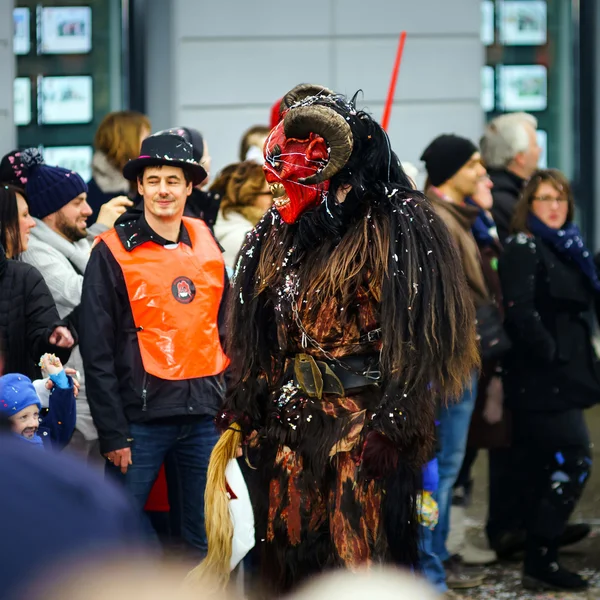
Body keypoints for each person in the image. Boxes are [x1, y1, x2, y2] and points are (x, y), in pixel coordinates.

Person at [192, 85, 479, 594]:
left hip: (363, 424)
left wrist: (396, 422)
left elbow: (425, 338)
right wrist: (247, 403)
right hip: (290, 424)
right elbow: (258, 332)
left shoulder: (398, 226)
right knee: (290, 556)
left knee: (359, 560)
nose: (279, 186)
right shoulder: (275, 231)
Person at [79, 132, 229, 557]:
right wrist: (113, 433)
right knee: (117, 532)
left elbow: (227, 327)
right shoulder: (110, 251)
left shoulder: (206, 240)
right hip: (137, 423)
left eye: (173, 179)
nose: (164, 189)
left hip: (203, 415)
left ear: (189, 186)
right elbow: (98, 350)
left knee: (202, 538)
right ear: (139, 186)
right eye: (154, 179)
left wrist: (229, 405)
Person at [498, 169, 598, 592]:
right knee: (574, 458)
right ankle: (541, 556)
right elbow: (520, 311)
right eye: (543, 199)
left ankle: (541, 556)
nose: (553, 206)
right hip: (542, 378)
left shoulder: (570, 246)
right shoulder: (524, 245)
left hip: (564, 375)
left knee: (544, 465)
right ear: (529, 205)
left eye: (559, 198)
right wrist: (550, 353)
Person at [20, 154, 133, 461]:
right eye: (78, 202)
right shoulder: (37, 255)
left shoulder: (77, 243)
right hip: (71, 398)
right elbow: (86, 292)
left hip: (92, 395)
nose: (88, 209)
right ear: (51, 212)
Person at [420, 134, 489, 592]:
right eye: (474, 164)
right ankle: (432, 569)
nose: (482, 172)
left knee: (446, 470)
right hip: (445, 367)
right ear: (451, 170)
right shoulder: (439, 219)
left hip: (457, 362)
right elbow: (441, 299)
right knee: (439, 471)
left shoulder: (457, 216)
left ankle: (437, 560)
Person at [0, 184, 74, 379]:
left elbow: (43, 351)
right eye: (24, 215)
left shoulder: (26, 277)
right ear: (3, 222)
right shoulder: (25, 275)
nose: (32, 223)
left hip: (20, 407)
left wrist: (53, 339)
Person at [480, 113, 540, 244]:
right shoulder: (506, 203)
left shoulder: (508, 193)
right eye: (535, 145)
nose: (539, 150)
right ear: (520, 157)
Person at [87, 110, 151, 224]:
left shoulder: (142, 186)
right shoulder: (91, 198)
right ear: (127, 142)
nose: (149, 145)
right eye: (145, 138)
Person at [0, 353, 76, 449]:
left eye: (36, 414)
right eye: (24, 417)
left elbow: (61, 426)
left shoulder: (42, 439)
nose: (33, 423)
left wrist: (61, 382)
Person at [214, 161, 273, 269]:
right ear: (249, 195)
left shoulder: (224, 221)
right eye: (269, 193)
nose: (273, 199)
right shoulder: (245, 236)